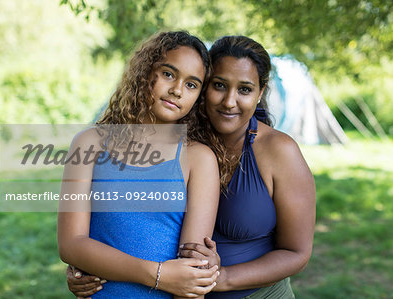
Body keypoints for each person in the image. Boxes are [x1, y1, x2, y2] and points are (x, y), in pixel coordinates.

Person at [67, 35, 316, 299]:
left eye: (244, 89)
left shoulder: (276, 151)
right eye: (219, 85)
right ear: (205, 89)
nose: (229, 101)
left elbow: (297, 253)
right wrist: (86, 262)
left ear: (260, 92)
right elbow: (95, 232)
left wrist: (219, 279)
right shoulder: (182, 138)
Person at [58, 31, 222, 298]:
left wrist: (166, 279)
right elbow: (71, 244)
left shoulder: (198, 159)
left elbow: (192, 273)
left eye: (191, 85)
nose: (177, 90)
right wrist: (158, 274)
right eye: (168, 74)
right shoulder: (89, 144)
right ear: (145, 72)